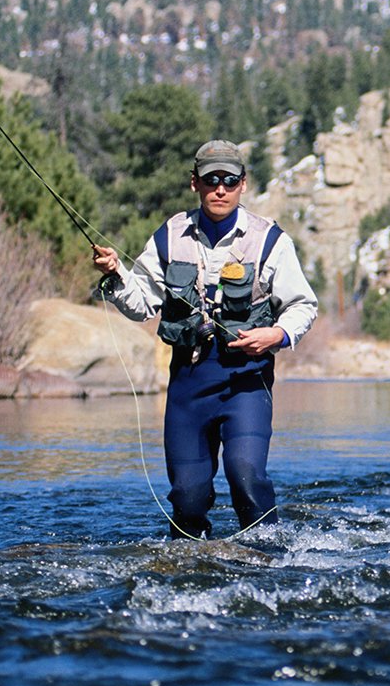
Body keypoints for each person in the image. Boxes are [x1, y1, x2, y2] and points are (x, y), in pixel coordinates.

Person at [92, 139, 318, 538]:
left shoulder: (270, 241)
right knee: (188, 497)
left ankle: (273, 561)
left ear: (243, 184)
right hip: (188, 384)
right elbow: (142, 304)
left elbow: (303, 306)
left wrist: (277, 334)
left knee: (246, 477)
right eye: (211, 179)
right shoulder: (168, 237)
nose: (220, 189)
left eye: (229, 180)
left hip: (247, 382)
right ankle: (190, 571)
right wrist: (115, 275)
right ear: (194, 183)